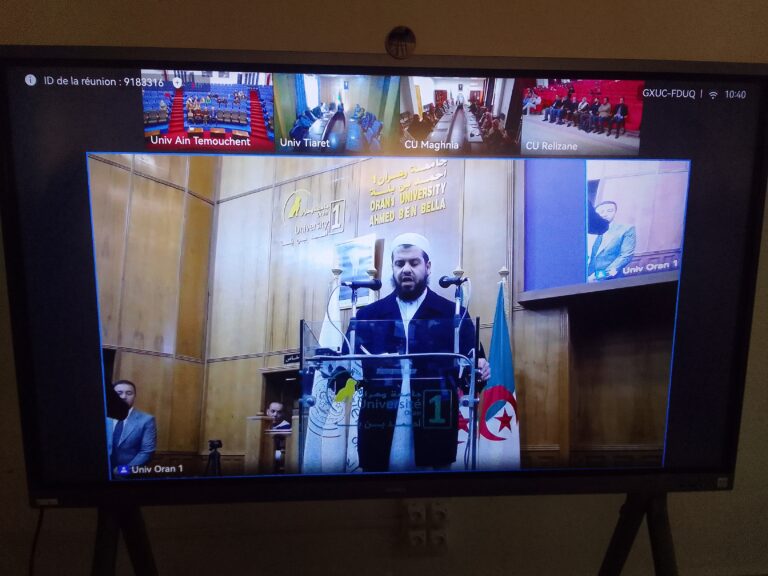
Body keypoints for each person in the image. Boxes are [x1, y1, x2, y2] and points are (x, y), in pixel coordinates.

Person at [349, 233, 490, 472]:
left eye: (413, 263)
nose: (406, 269)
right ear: (392, 268)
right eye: (399, 263)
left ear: (428, 266)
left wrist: (480, 370)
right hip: (379, 423)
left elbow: (473, 372)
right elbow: (346, 372)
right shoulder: (367, 316)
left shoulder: (453, 314)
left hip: (434, 424)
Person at [106, 380, 157, 474]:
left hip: (129, 475)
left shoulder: (147, 420)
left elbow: (147, 452)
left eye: (129, 393)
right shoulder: (103, 417)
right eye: (119, 393)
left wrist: (122, 471)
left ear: (134, 396)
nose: (123, 397)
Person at [587, 201, 637, 282]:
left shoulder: (626, 229)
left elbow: (625, 256)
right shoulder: (588, 230)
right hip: (585, 278)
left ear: (615, 212)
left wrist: (597, 276)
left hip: (611, 280)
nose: (605, 214)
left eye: (609, 211)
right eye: (601, 212)